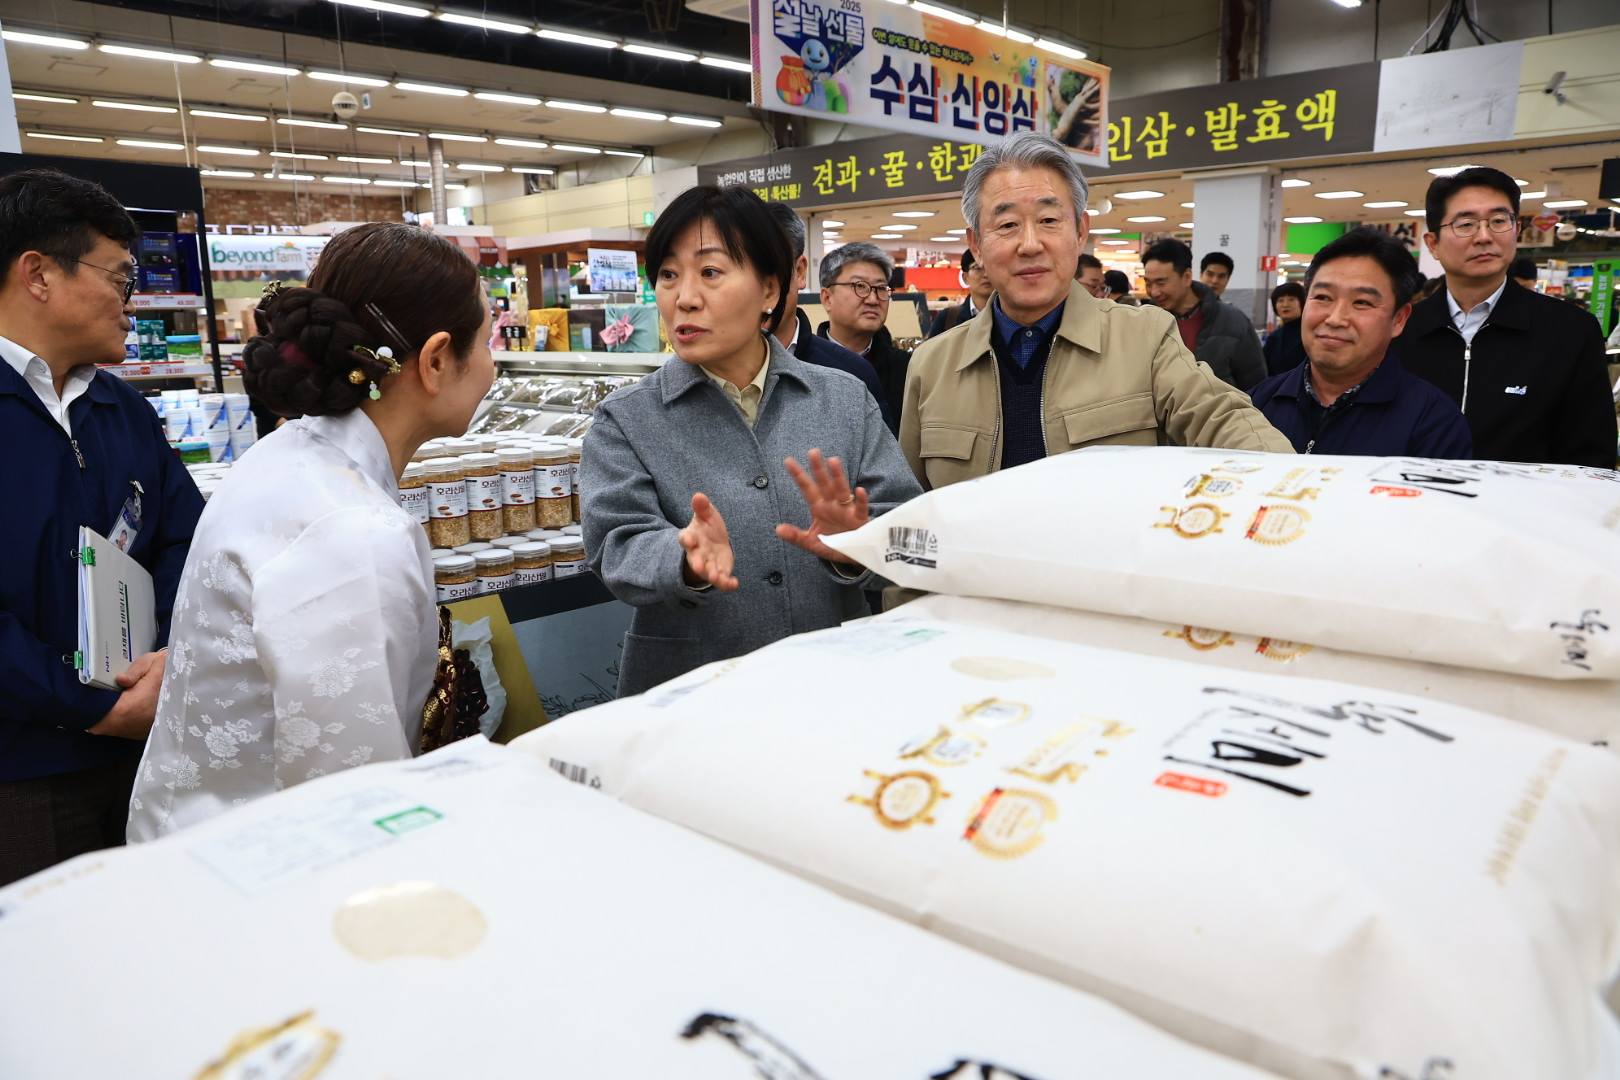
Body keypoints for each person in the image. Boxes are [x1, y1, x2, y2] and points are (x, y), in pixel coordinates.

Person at [127, 223, 495, 841]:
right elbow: (352, 797)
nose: (492, 365)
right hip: (269, 870)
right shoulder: (353, 533)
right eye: (486, 340)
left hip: (201, 842)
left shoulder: (289, 455)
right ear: (435, 360)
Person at [582, 186, 922, 697]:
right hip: (690, 690)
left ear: (769, 291)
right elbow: (616, 543)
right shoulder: (626, 419)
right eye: (669, 275)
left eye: (710, 272)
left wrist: (856, 542)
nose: (684, 296)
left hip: (833, 681)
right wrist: (680, 556)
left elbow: (904, 525)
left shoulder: (843, 399)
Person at [0, 169, 203, 884]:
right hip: (22, 777)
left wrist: (169, 651)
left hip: (146, 749)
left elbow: (187, 535)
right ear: (39, 275)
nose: (131, 302)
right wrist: (89, 705)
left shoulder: (121, 408)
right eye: (119, 277)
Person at [900, 132, 1291, 491]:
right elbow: (909, 504)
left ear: (1080, 231)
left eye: (1049, 220)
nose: (1030, 243)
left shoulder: (1144, 337)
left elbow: (1219, 415)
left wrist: (1293, 486)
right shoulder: (931, 365)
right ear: (977, 245)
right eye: (1007, 225)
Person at [1400, 166, 1615, 467]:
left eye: (1499, 221)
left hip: (1525, 510)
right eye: (1466, 224)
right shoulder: (1401, 329)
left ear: (1515, 230)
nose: (1484, 236)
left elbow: (1591, 455)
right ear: (1433, 244)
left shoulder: (1570, 332)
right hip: (1414, 505)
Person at [1250, 228, 1472, 458]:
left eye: (1362, 302)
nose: (1335, 319)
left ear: (1398, 319)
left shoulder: (1434, 423)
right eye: (1323, 297)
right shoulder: (1256, 404)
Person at [762, 202, 893, 432]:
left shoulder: (853, 375)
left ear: (800, 272)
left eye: (769, 268)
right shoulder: (707, 369)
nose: (872, 299)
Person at [1143, 238, 1267, 392]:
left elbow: (1257, 385)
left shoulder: (1233, 322)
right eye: (1148, 283)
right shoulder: (1145, 321)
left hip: (1220, 415)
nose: (1154, 292)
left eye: (1161, 283)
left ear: (1187, 277)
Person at [817, 242, 911, 425]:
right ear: (827, 298)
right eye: (860, 286)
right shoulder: (802, 364)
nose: (873, 299)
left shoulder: (908, 369)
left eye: (881, 288)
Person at [926, 249, 994, 339]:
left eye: (990, 268)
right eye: (977, 268)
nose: (986, 274)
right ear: (965, 277)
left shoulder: (1011, 316)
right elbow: (931, 351)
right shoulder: (948, 318)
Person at [1262, 281, 1307, 377]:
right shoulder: (1274, 337)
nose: (1285, 304)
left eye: (1291, 299)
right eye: (1280, 300)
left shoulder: (1309, 333)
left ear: (1302, 303)